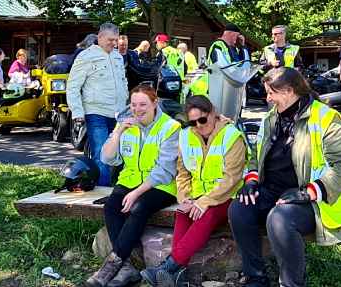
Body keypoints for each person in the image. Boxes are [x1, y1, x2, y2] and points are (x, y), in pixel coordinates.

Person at [228, 68, 341, 287]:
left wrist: (307, 192)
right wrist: (251, 181)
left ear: (289, 91)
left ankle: (290, 283)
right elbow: (256, 156)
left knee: (279, 218)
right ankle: (255, 277)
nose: (268, 99)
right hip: (273, 190)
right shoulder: (271, 118)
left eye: (271, 93)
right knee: (239, 208)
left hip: (316, 198)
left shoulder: (326, 118)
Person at [140, 95, 246, 286]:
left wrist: (204, 202)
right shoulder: (186, 135)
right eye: (193, 121)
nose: (199, 125)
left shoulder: (232, 136)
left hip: (228, 196)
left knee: (207, 215)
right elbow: (182, 172)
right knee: (183, 213)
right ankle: (178, 275)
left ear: (212, 113)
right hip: (197, 196)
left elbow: (232, 178)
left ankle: (168, 267)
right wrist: (185, 198)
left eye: (203, 119)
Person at [85, 85, 181, 287]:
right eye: (134, 104)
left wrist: (137, 193)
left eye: (143, 104)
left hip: (161, 185)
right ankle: (127, 268)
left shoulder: (170, 127)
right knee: (111, 206)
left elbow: (165, 170)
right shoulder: (126, 124)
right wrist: (118, 132)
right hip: (129, 180)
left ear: (155, 104)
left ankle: (110, 266)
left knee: (139, 207)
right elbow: (107, 158)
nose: (138, 109)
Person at [67, 23, 129, 186]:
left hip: (119, 114)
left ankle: (119, 190)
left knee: (121, 154)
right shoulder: (85, 56)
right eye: (110, 40)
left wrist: (128, 104)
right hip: (96, 113)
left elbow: (123, 82)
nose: (114, 43)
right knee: (102, 155)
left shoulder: (117, 57)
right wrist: (77, 113)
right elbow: (73, 86)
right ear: (100, 37)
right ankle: (102, 195)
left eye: (116, 40)